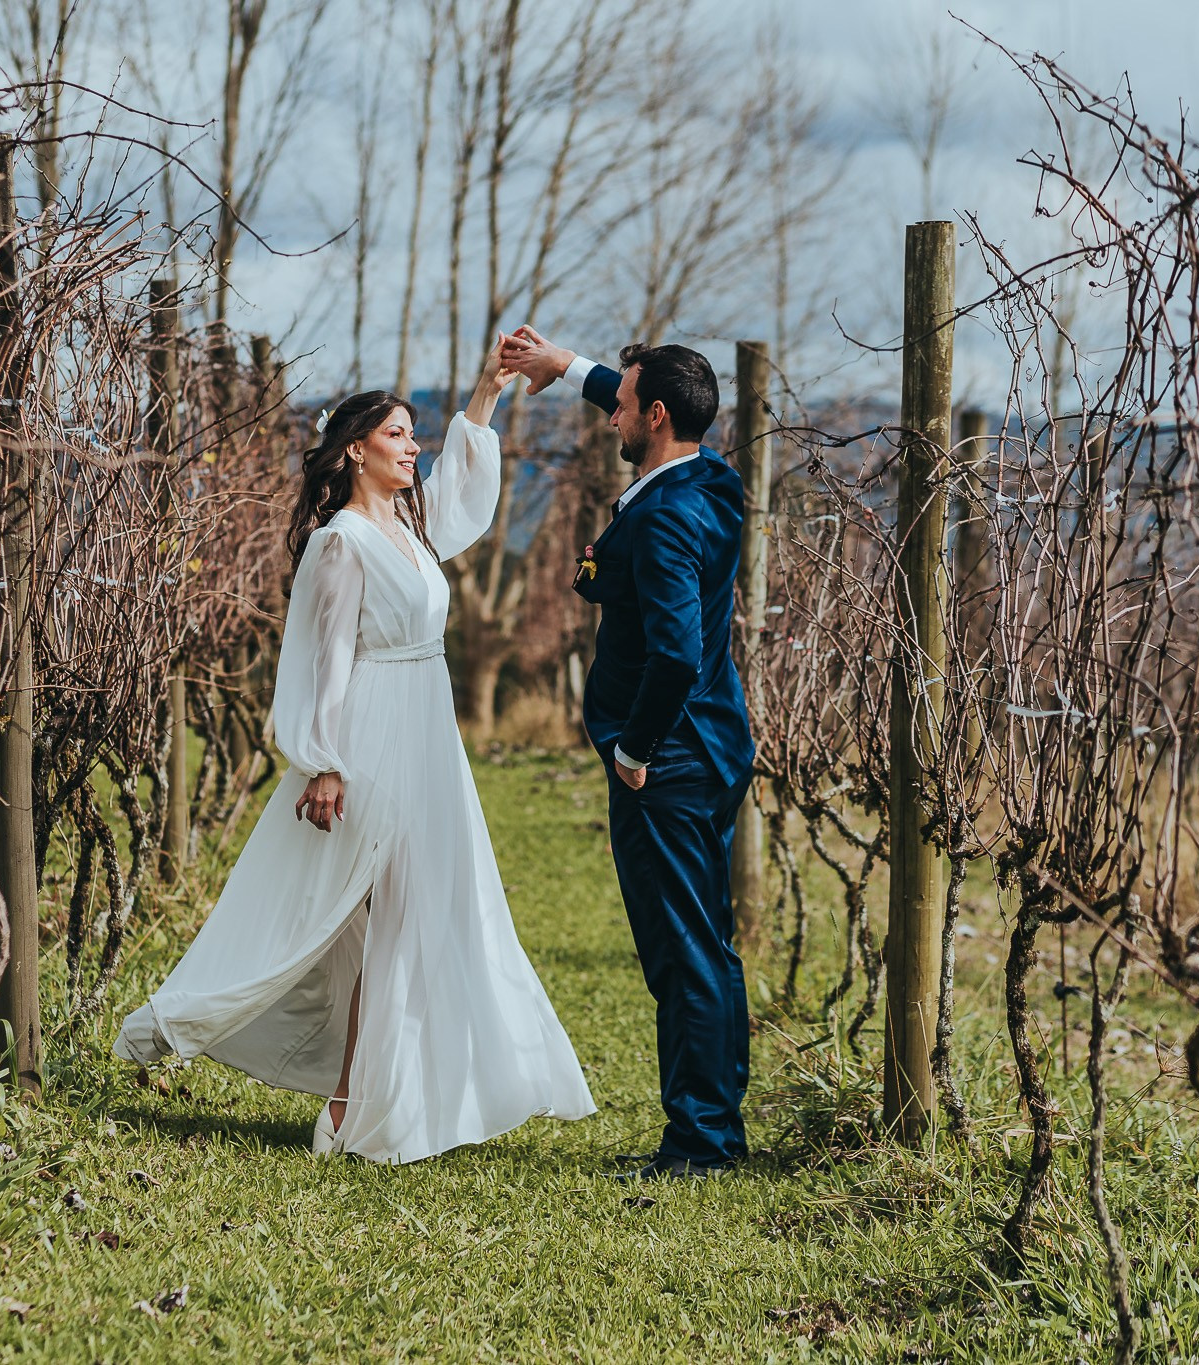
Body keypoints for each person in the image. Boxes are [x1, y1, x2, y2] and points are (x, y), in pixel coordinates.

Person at [113, 337, 595, 1163]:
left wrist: (485, 391)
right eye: (400, 435)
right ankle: (352, 1104)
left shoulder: (410, 528)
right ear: (353, 451)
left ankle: (402, 1097)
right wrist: (324, 759)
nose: (414, 447)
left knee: (436, 908)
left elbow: (461, 499)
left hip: (429, 732)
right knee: (391, 915)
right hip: (373, 735)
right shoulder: (341, 541)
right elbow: (320, 655)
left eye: (415, 435)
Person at [500, 326, 754, 1181]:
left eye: (621, 403)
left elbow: (677, 653)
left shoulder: (670, 516)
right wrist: (563, 365)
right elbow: (638, 392)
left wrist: (636, 749)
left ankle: (702, 1142)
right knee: (703, 946)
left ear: (654, 415)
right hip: (711, 745)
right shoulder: (711, 481)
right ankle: (712, 1127)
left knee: (684, 954)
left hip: (670, 762)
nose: (610, 415)